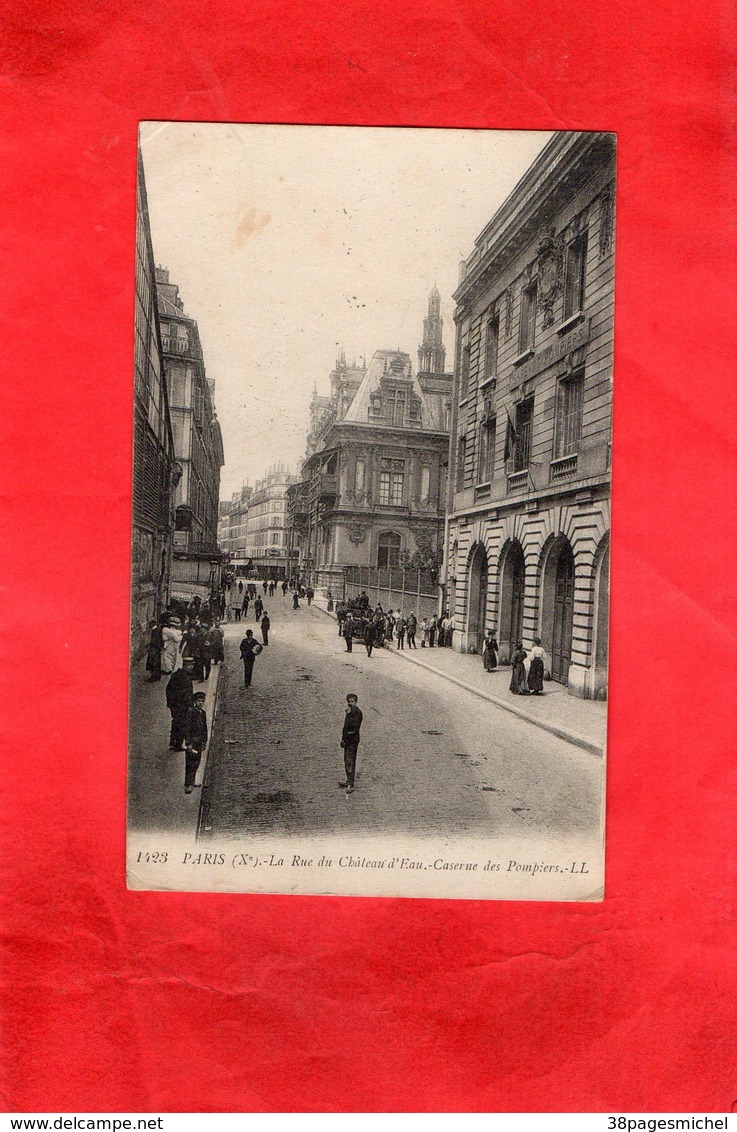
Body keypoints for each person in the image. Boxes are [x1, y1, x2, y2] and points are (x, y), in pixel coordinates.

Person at [166, 657, 194, 751]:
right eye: (189, 665)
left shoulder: (177, 675)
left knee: (175, 723)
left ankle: (172, 742)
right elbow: (186, 694)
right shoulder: (185, 677)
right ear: (184, 666)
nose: (191, 667)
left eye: (192, 665)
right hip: (181, 706)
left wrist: (170, 704)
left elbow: (168, 690)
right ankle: (178, 745)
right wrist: (190, 705)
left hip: (175, 705)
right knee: (182, 724)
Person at [183, 690, 208, 794]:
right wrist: (188, 743)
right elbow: (187, 728)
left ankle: (192, 781)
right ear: (194, 702)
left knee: (197, 763)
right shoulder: (191, 712)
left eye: (202, 701)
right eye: (199, 701)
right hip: (192, 743)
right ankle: (188, 784)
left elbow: (205, 728)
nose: (201, 703)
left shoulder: (203, 713)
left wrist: (204, 741)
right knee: (190, 764)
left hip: (198, 743)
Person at [339, 693, 363, 795]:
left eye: (352, 701)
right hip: (347, 740)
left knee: (350, 761)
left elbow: (354, 727)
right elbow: (345, 727)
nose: (350, 703)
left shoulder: (357, 713)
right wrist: (343, 739)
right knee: (347, 761)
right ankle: (348, 780)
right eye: (348, 701)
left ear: (356, 702)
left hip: (352, 741)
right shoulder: (350, 711)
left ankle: (351, 784)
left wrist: (348, 714)